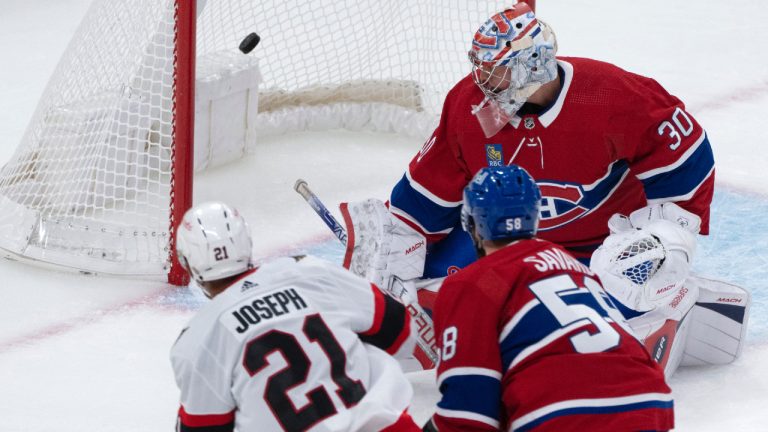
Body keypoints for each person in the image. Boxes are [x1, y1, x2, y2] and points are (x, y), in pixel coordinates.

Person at [339, 1, 748, 377]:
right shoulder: (468, 105)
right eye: (481, 66)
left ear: (533, 64)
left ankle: (672, 305)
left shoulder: (610, 94)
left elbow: (684, 154)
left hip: (602, 248)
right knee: (427, 285)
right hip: (507, 242)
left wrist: (668, 234)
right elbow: (432, 185)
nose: (482, 79)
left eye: (496, 68)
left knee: (624, 294)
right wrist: (399, 243)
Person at [424, 165, 674, 432]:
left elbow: (467, 415)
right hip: (650, 400)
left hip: (564, 413)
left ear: (472, 223)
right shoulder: (575, 267)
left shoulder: (473, 282)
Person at [170, 201, 422, 432]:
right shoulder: (309, 271)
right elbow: (400, 331)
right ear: (245, 241)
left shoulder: (196, 339)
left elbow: (204, 428)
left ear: (187, 262)